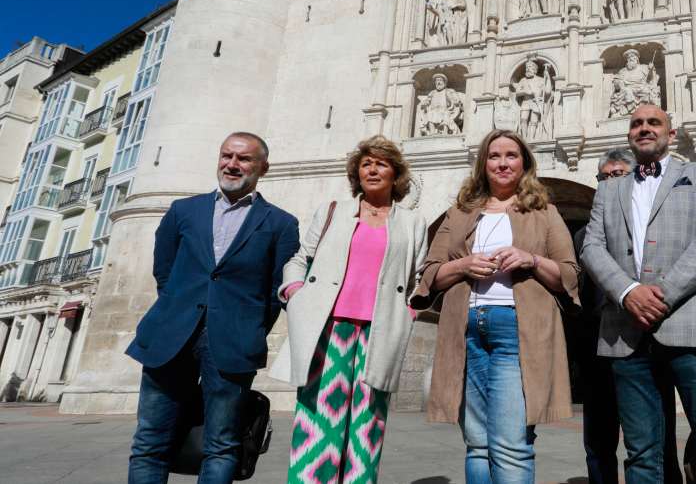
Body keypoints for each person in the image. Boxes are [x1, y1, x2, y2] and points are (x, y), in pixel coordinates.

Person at [126, 132, 300, 484]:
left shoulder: (281, 223)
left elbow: (274, 291)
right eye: (226, 156)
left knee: (221, 444)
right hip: (170, 336)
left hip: (234, 341)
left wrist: (248, 327)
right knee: (149, 440)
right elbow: (165, 272)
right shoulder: (183, 210)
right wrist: (182, 309)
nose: (232, 164)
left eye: (244, 159)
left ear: (262, 168)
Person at [580, 104, 696, 484]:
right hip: (626, 330)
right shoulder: (610, 189)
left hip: (688, 325)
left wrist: (660, 295)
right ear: (629, 135)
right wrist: (627, 292)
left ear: (670, 134)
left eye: (654, 123)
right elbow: (592, 248)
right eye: (637, 124)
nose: (644, 128)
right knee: (640, 454)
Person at [411, 129, 581, 484]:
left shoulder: (544, 212)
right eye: (494, 156)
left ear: (524, 164)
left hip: (516, 329)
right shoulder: (458, 213)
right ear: (483, 163)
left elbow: (568, 274)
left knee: (510, 444)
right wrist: (463, 265)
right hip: (465, 329)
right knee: (476, 444)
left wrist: (530, 258)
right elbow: (429, 274)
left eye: (511, 156)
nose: (502, 163)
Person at [268, 136, 427, 483]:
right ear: (357, 172)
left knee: (368, 425)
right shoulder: (333, 211)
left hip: (380, 332)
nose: (372, 168)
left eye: (381, 163)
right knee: (318, 420)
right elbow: (300, 259)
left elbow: (418, 277)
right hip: (328, 329)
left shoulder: (413, 223)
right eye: (366, 163)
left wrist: (409, 311)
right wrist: (295, 292)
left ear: (396, 174)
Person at [572, 150, 681, 484]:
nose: (611, 182)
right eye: (604, 177)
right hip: (598, 345)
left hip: (642, 341)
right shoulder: (582, 236)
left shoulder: (648, 225)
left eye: (618, 175)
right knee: (599, 436)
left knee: (657, 433)